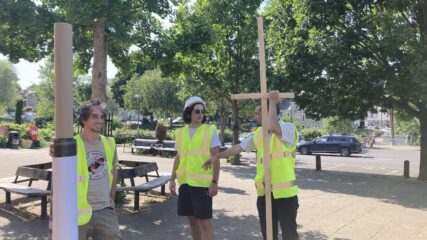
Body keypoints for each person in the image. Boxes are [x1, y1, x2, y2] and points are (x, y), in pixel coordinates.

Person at [206, 91, 299, 240]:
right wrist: (217, 156)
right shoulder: (258, 134)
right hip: (264, 193)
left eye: (258, 112)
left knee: (289, 234)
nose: (254, 116)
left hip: (285, 194)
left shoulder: (288, 128)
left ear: (267, 111)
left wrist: (273, 102)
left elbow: (275, 128)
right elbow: (238, 148)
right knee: (268, 234)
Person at [50, 100, 121, 240]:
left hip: (104, 210)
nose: (99, 120)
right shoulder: (73, 144)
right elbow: (58, 179)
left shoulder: (109, 143)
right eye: (94, 116)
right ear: (84, 119)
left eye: (102, 117)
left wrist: (111, 198)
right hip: (76, 212)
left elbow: (113, 172)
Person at [169, 96, 221, 240]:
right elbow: (178, 158)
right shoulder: (179, 133)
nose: (200, 114)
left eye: (202, 112)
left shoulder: (210, 131)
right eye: (197, 111)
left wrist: (215, 182)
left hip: (203, 184)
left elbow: (216, 158)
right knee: (192, 222)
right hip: (185, 183)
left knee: (205, 223)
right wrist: (172, 179)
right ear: (189, 113)